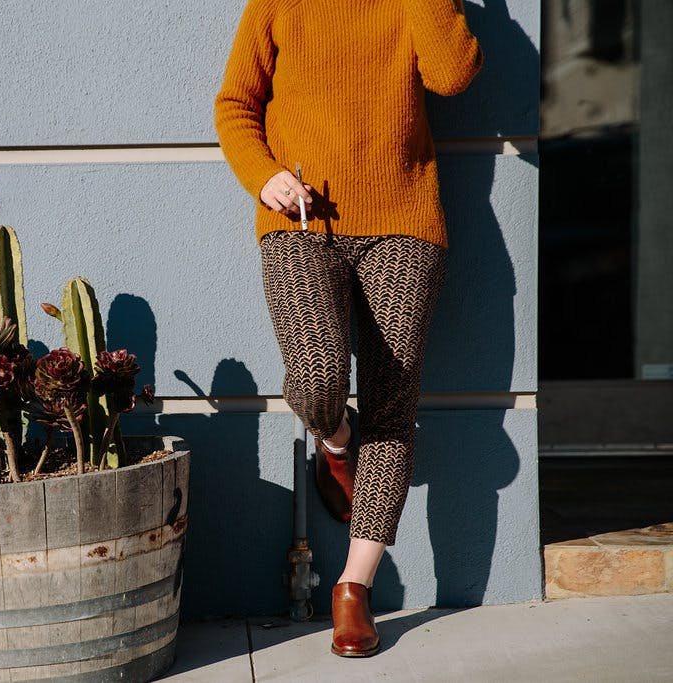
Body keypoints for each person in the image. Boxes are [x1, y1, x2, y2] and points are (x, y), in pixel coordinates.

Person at [215, 0, 482, 658]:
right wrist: (263, 175)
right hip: (301, 223)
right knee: (316, 375)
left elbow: (453, 73)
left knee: (392, 403)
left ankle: (352, 588)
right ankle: (336, 441)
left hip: (405, 225)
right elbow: (235, 103)